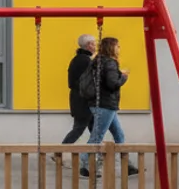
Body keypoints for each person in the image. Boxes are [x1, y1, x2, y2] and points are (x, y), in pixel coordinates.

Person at [81, 37, 138, 177]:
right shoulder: (110, 63)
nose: (119, 49)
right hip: (105, 105)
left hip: (99, 104)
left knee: (119, 135)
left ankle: (127, 165)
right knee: (97, 136)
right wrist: (123, 77)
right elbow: (112, 83)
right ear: (112, 47)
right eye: (117, 46)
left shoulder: (97, 61)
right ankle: (84, 165)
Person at [57, 34, 97, 160]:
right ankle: (59, 152)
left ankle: (96, 156)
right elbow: (88, 82)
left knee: (94, 131)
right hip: (83, 102)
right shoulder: (85, 61)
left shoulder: (78, 59)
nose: (95, 46)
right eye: (94, 44)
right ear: (88, 45)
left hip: (80, 100)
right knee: (80, 129)